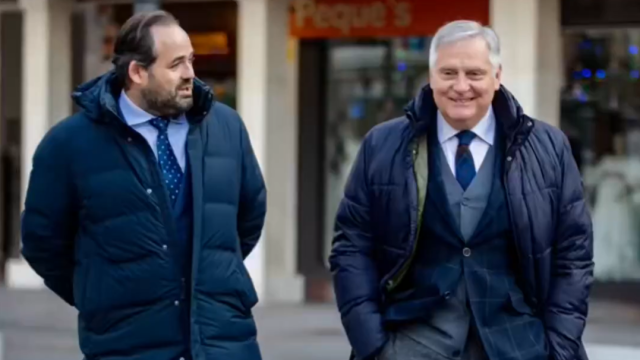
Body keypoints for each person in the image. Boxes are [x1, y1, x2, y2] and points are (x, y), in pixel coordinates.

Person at [330, 20, 593, 360]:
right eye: (448, 73)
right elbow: (351, 246)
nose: (461, 86)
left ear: (497, 76)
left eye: (474, 73)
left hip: (520, 345)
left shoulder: (548, 147)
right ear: (431, 77)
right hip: (411, 344)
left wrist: (558, 346)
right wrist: (372, 344)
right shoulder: (382, 145)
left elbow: (573, 253)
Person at [21, 11, 266, 360]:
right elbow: (43, 244)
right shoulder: (68, 145)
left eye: (191, 60)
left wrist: (206, 277)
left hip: (224, 344)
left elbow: (249, 215)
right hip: (126, 347)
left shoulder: (226, 127)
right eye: (176, 64)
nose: (190, 74)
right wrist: (102, 296)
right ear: (137, 72)